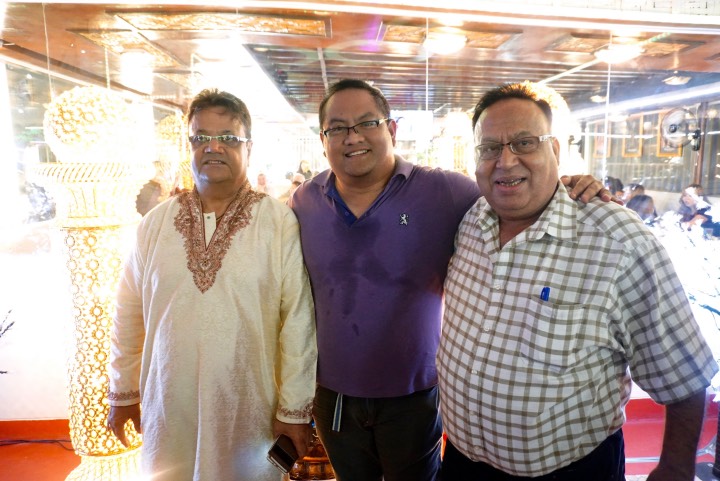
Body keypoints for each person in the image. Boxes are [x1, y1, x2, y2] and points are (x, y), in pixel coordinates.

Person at [289, 78, 611, 481]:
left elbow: (513, 194)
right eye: (337, 128)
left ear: (391, 129)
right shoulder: (304, 201)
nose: (352, 137)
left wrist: (567, 184)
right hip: (334, 394)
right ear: (323, 140)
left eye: (367, 123)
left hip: (416, 394)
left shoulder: (444, 191)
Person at [437, 81, 717, 481]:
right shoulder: (468, 222)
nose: (506, 161)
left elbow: (683, 371)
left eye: (524, 143)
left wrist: (675, 467)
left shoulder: (619, 241)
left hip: (570, 471)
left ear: (555, 150)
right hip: (461, 463)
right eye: (490, 148)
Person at [106, 88, 317, 480]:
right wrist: (123, 391)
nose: (213, 147)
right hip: (169, 404)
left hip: (248, 409)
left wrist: (294, 410)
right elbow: (128, 312)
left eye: (228, 138)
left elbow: (298, 321)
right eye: (201, 137)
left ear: (249, 147)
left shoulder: (277, 223)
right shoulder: (155, 224)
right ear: (189, 145)